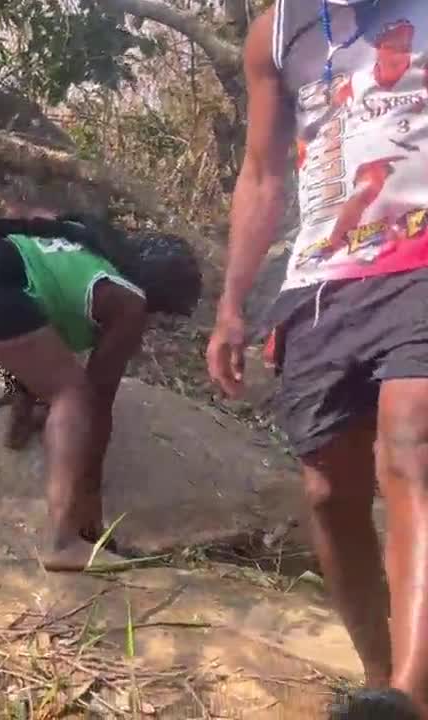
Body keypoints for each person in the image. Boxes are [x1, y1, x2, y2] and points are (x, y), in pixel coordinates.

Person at [206, 1, 428, 716]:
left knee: (412, 445)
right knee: (329, 492)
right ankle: (381, 681)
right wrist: (232, 304)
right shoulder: (277, 32)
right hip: (323, 280)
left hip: (422, 263)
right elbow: (262, 174)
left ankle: (409, 694)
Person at [0, 204, 201, 571]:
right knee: (72, 393)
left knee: (50, 365)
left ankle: (23, 416)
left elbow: (41, 304)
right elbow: (97, 401)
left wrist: (30, 402)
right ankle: (64, 542)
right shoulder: (128, 302)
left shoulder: (86, 239)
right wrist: (89, 497)